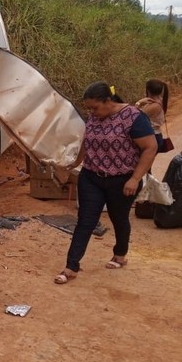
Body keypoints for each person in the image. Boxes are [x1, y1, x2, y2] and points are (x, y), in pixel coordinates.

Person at [54, 81, 158, 284]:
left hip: (122, 180)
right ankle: (71, 266)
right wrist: (75, 163)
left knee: (118, 218)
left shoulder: (133, 117)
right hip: (91, 177)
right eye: (89, 108)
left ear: (108, 101)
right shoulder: (94, 116)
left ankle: (120, 254)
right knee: (85, 220)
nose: (92, 112)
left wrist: (135, 178)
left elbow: (150, 147)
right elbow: (87, 141)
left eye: (95, 107)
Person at [135, 79, 169, 152]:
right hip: (154, 136)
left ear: (148, 90)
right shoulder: (158, 100)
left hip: (152, 137)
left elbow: (134, 116)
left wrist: (138, 103)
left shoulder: (154, 106)